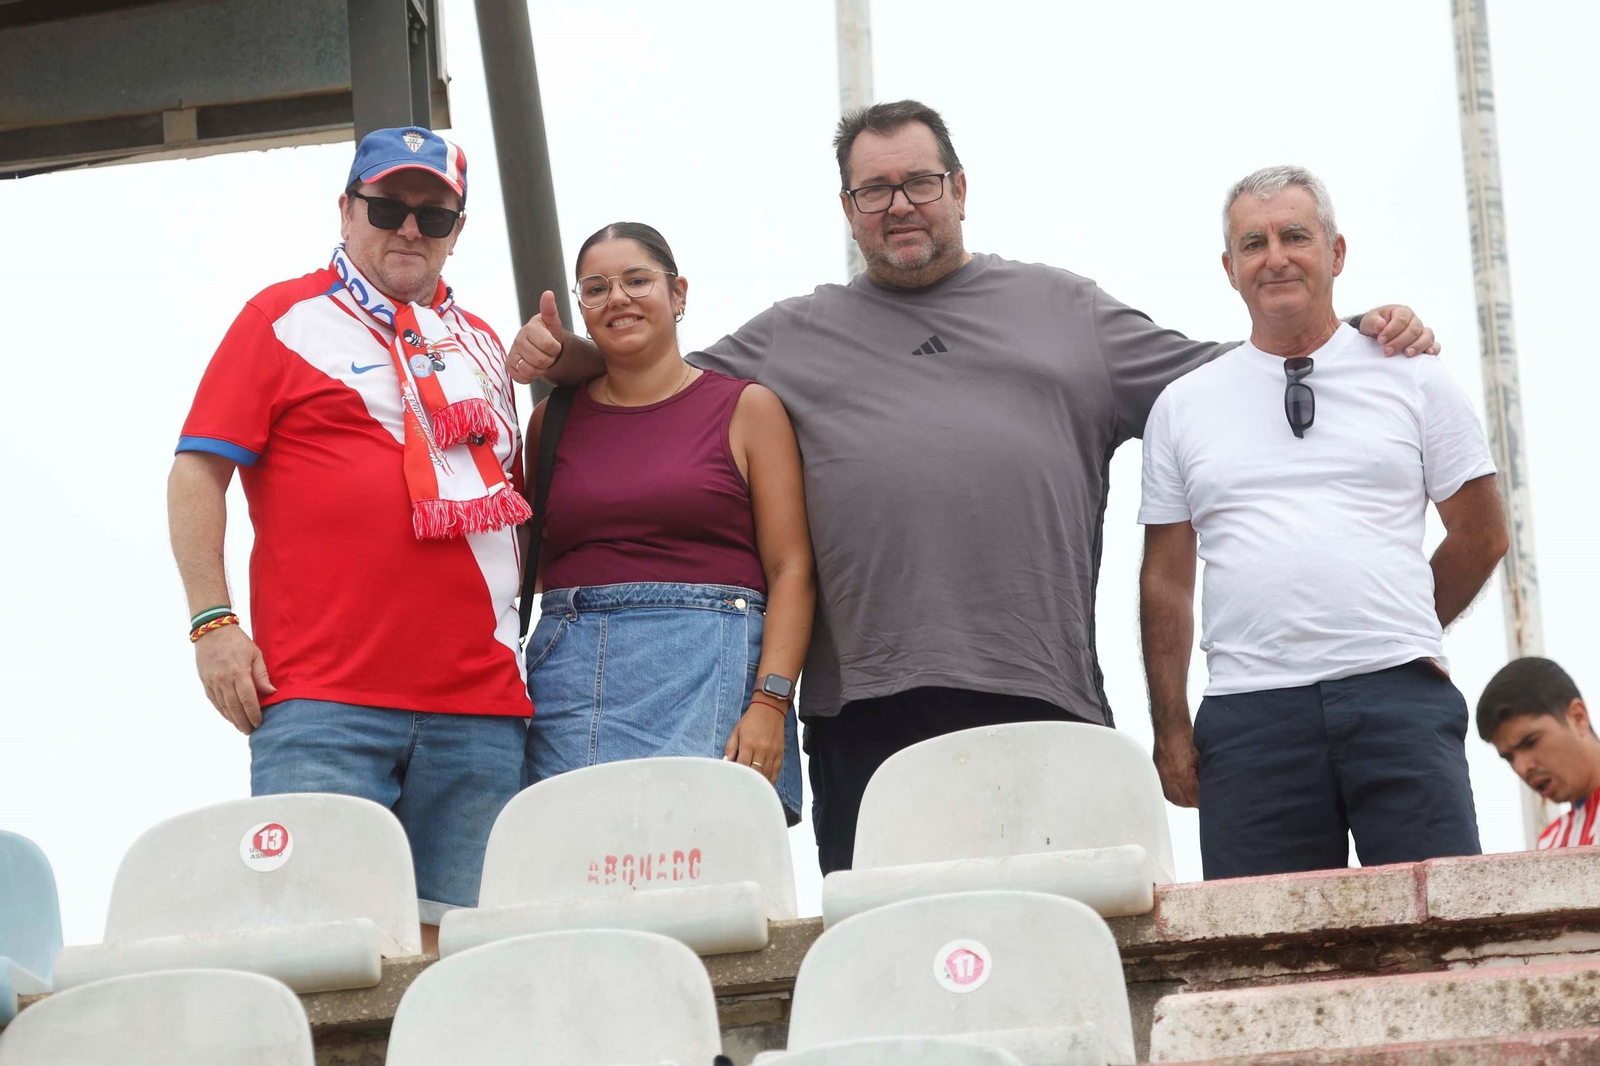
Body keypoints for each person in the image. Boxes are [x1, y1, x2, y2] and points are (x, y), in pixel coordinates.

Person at [506, 101, 1440, 875]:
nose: (899, 204)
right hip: (862, 704)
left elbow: (1222, 378)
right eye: (875, 188)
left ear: (959, 189)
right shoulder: (793, 333)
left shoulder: (1066, 310)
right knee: (887, 950)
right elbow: (659, 380)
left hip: (1040, 691)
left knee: (1059, 940)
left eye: (919, 182)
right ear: (847, 206)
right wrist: (574, 354)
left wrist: (1346, 329)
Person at [168, 127, 530, 949]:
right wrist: (212, 625)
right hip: (324, 704)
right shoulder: (281, 317)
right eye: (387, 206)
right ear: (347, 208)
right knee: (321, 955)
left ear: (456, 232)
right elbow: (196, 473)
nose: (409, 229)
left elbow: (519, 496)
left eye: (433, 217)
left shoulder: (481, 344)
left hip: (480, 708)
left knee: (464, 962)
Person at [1139, 165, 1509, 879]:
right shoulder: (1183, 406)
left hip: (1398, 698)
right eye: (1253, 243)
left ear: (1336, 253)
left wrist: (1399, 621)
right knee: (1260, 956)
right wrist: (1171, 728)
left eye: (1295, 236)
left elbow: (1483, 532)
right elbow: (1166, 582)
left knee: (1437, 935)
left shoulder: (1413, 374)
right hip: (1248, 718)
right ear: (1230, 268)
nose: (1275, 256)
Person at [522, 223, 814, 822]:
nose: (618, 298)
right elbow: (537, 567)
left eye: (636, 280)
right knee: (576, 876)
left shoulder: (747, 408)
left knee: (715, 881)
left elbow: (792, 569)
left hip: (715, 671)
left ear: (678, 294)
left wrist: (770, 703)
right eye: (596, 288)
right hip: (574, 682)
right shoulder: (549, 423)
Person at [1478, 657, 1600, 849]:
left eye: (1530, 742)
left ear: (1578, 718)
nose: (1522, 768)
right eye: (1509, 758)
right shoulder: (1549, 844)